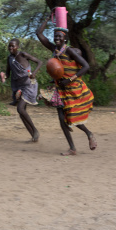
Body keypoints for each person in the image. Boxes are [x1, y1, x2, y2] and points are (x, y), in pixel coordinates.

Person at [36, 15, 97, 155]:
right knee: (61, 119)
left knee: (72, 117)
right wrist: (47, 17)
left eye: (59, 37)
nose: (56, 38)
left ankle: (89, 134)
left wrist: (69, 80)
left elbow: (86, 66)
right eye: (55, 36)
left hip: (73, 89)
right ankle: (72, 148)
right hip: (60, 89)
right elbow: (39, 34)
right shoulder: (53, 49)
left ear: (65, 39)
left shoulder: (69, 51)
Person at [0, 38, 43, 142]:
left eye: (13, 46)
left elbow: (40, 62)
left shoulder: (23, 55)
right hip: (18, 86)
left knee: (20, 109)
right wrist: (3, 76)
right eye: (9, 46)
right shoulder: (9, 58)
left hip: (28, 85)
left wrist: (34, 73)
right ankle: (34, 136)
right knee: (21, 111)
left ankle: (35, 130)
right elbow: (8, 74)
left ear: (17, 47)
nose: (10, 48)